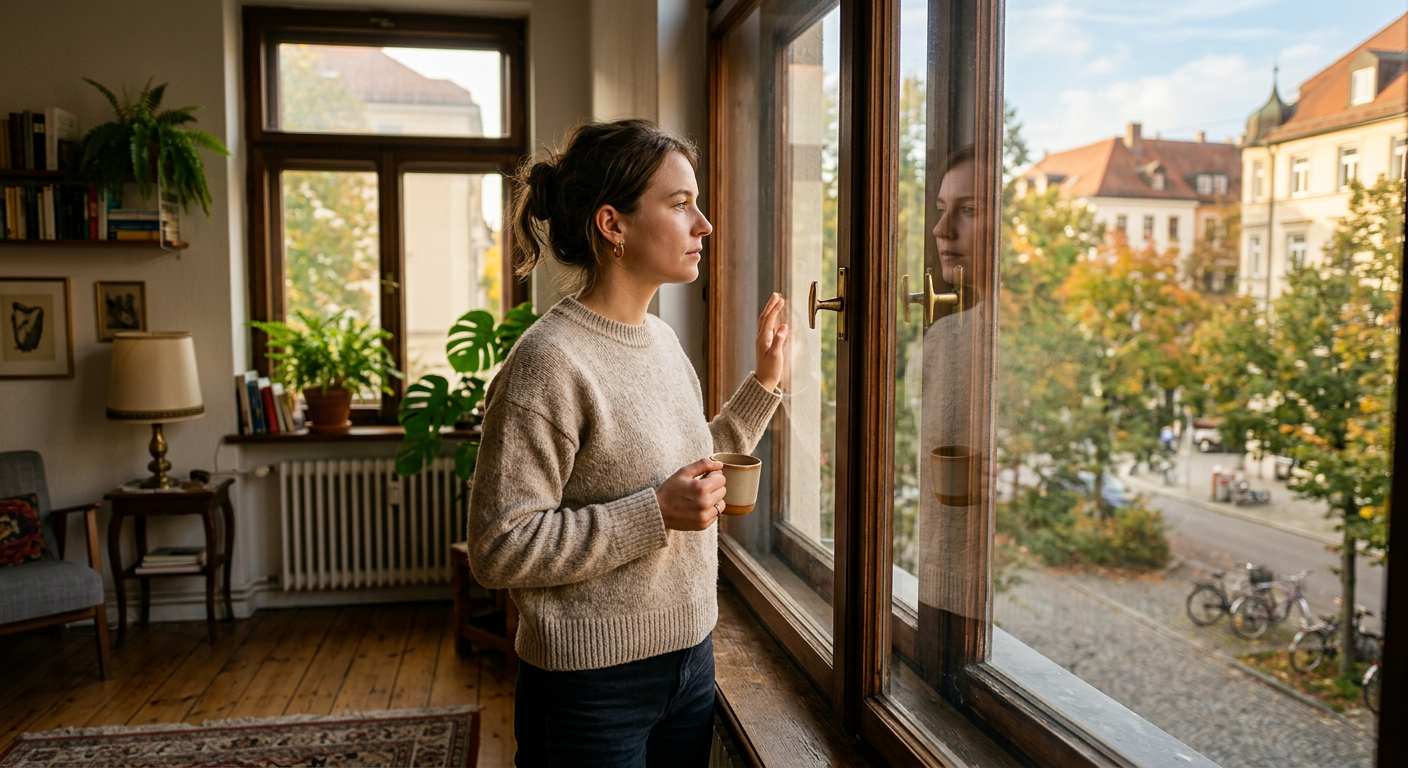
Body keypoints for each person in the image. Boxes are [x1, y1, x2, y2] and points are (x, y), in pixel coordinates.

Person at [465, 119, 789, 767]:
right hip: (589, 689)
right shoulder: (548, 362)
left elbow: (688, 471)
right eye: (679, 205)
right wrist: (652, 515)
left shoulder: (662, 341)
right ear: (612, 225)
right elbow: (498, 550)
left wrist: (764, 384)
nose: (705, 224)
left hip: (691, 663)